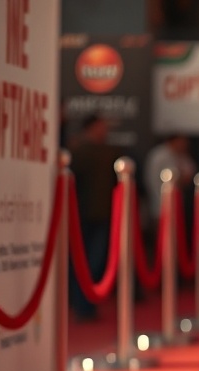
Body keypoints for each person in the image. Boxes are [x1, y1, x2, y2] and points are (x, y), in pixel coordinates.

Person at [67, 114, 120, 321]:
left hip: (102, 213)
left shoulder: (108, 152)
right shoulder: (79, 152)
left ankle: (87, 304)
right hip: (81, 214)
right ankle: (81, 305)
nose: (104, 130)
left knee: (96, 262)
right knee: (82, 261)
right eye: (100, 126)